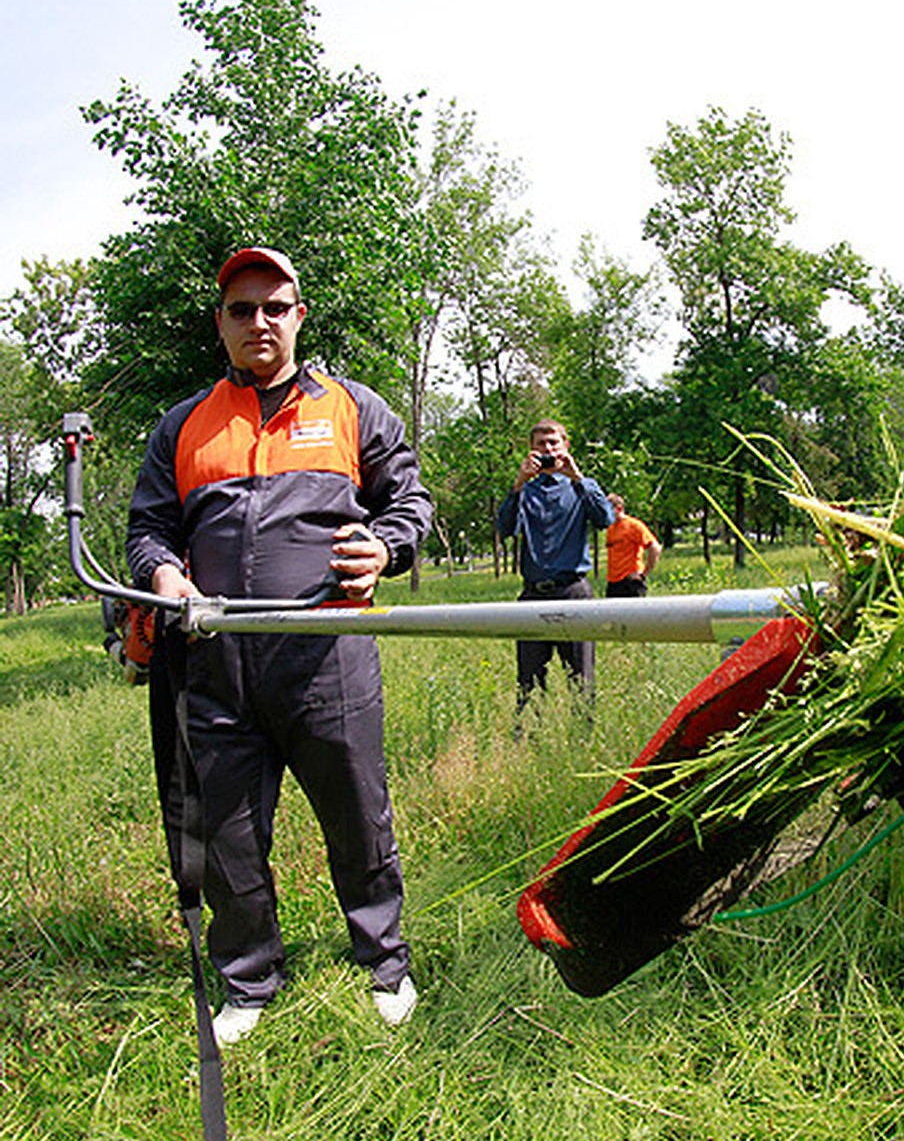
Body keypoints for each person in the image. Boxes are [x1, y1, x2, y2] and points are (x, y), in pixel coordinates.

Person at [126, 247, 433, 1046]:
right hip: (216, 668)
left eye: (274, 306)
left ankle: (384, 961)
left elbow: (409, 502)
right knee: (226, 832)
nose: (258, 321)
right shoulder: (181, 427)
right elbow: (147, 529)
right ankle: (249, 976)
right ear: (221, 325)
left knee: (358, 816)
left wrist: (387, 547)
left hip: (326, 657)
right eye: (241, 309)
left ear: (300, 315)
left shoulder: (352, 409)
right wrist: (161, 574)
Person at [495, 420, 615, 712]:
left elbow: (605, 518)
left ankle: (582, 741)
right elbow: (505, 527)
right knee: (529, 683)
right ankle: (528, 743)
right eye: (540, 444)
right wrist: (518, 484)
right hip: (532, 596)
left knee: (581, 680)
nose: (548, 449)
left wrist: (578, 477)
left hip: (573, 592)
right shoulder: (526, 491)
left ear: (566, 446)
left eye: (553, 443)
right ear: (531, 449)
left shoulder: (579, 488)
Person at [604, 494, 662, 598]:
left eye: (608, 510)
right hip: (613, 583)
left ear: (619, 508)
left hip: (630, 582)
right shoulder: (610, 529)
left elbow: (655, 548)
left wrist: (644, 574)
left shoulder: (634, 525)